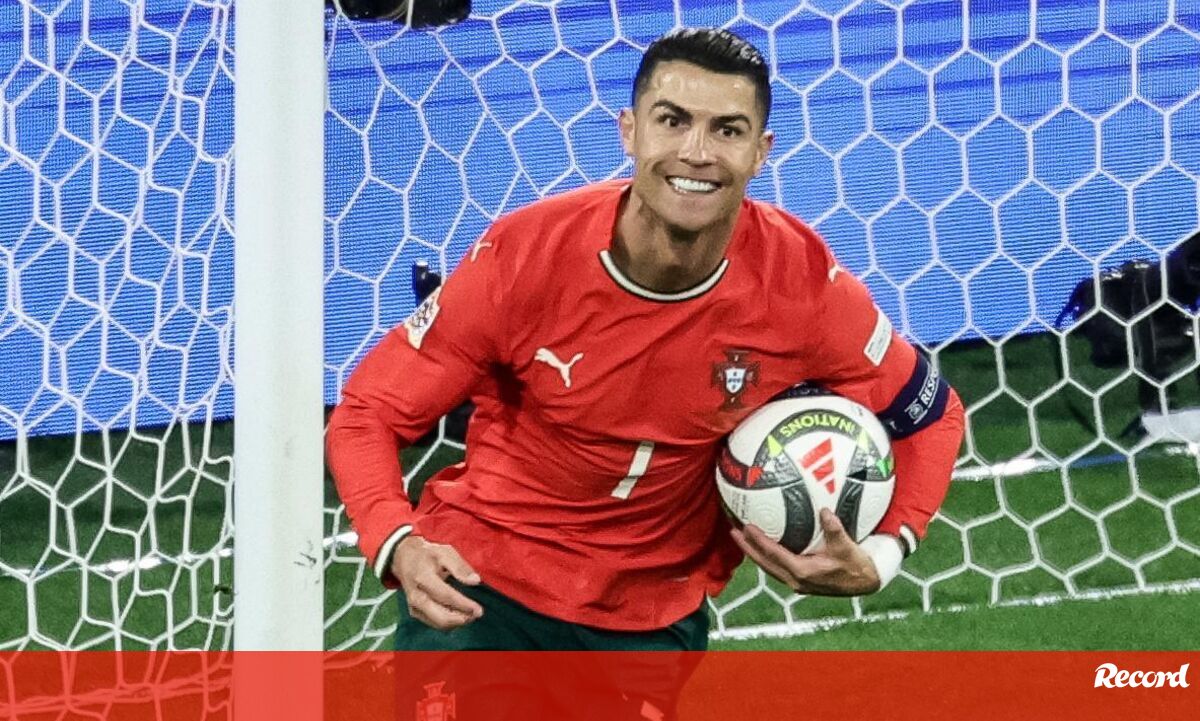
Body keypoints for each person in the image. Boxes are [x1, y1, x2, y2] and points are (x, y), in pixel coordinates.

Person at [326, 26, 965, 718]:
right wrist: (397, 541)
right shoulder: (525, 256)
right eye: (672, 121)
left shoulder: (801, 284)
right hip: (483, 592)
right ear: (629, 131)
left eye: (727, 130)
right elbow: (368, 412)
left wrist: (883, 556)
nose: (696, 152)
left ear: (761, 152)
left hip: (649, 623)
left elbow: (933, 416)